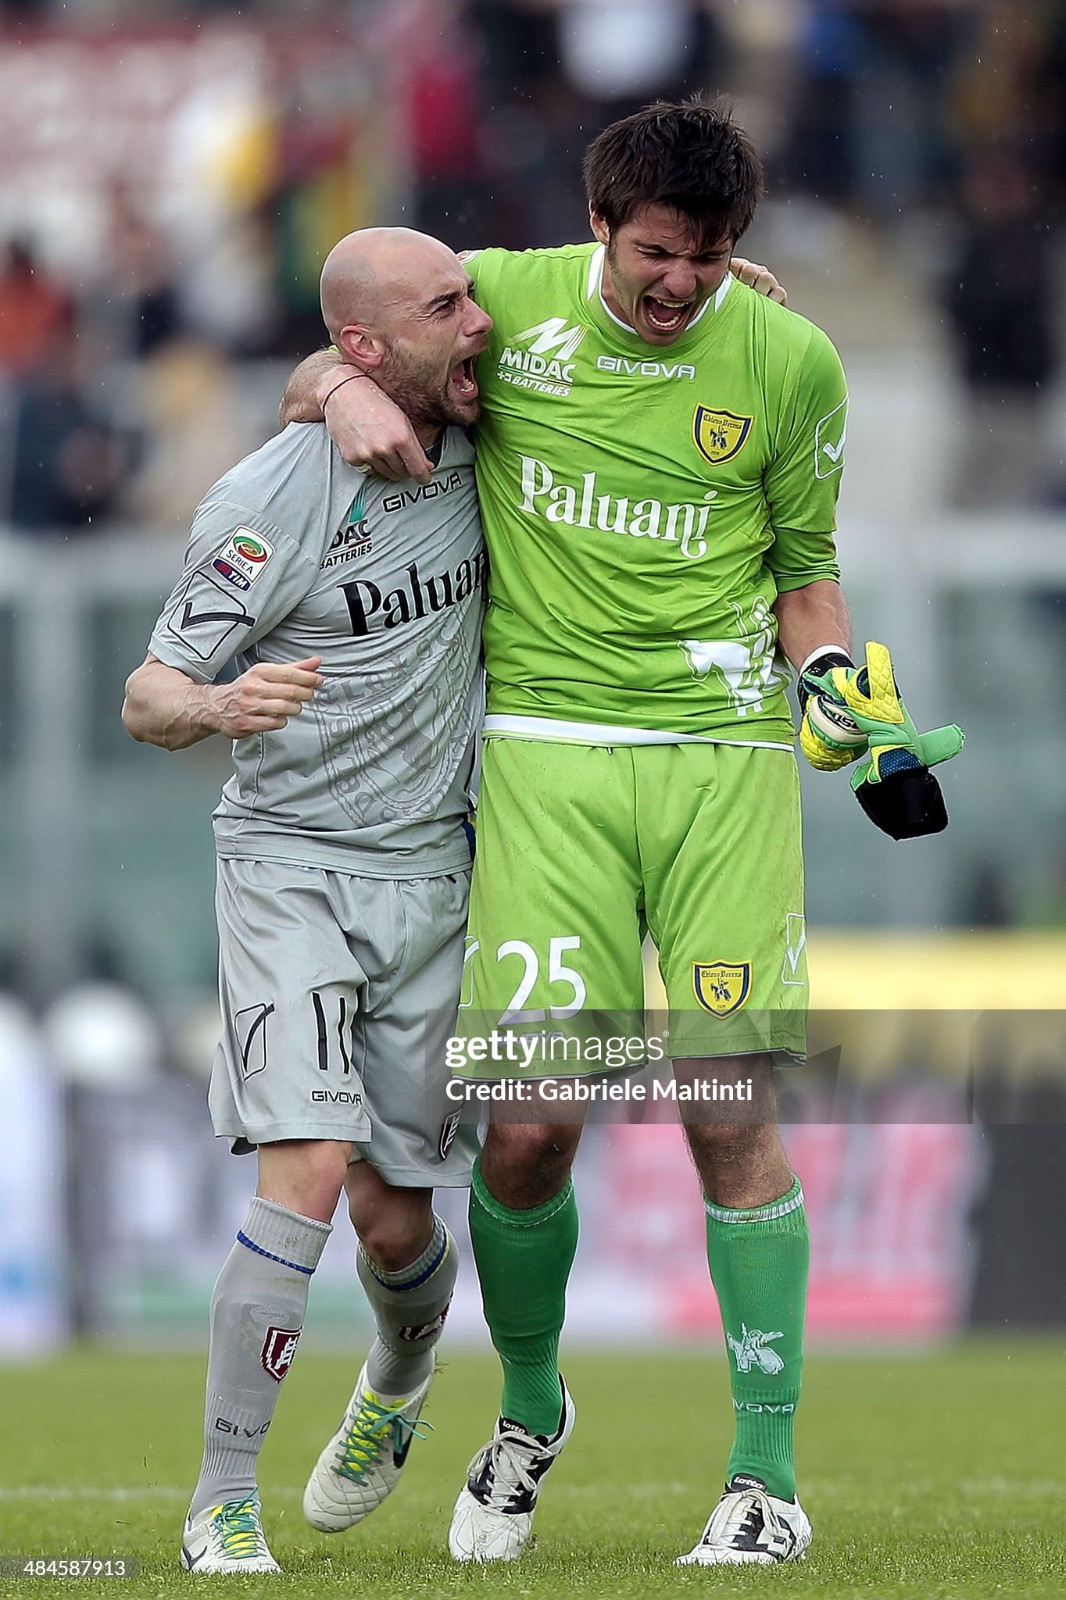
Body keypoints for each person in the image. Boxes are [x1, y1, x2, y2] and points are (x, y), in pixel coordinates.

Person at [282, 96, 961, 1570]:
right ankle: (529, 1414)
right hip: (544, 763)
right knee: (526, 1134)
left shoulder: (788, 357)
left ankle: (762, 1482)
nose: (679, 287)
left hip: (719, 762)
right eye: (657, 255)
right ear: (596, 227)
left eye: (709, 263)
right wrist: (339, 396)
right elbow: (347, 344)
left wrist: (849, 712)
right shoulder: (502, 300)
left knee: (725, 1108)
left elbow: (807, 577)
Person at [122, 226, 492, 1575]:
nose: (479, 323)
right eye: (445, 306)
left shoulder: (484, 421)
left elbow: (621, 322)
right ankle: (224, 1497)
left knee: (401, 1220)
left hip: (435, 872)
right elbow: (148, 695)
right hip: (286, 862)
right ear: (364, 346)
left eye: (468, 295)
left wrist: (724, 287)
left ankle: (397, 1382)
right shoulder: (267, 499)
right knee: (310, 1170)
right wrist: (222, 700)